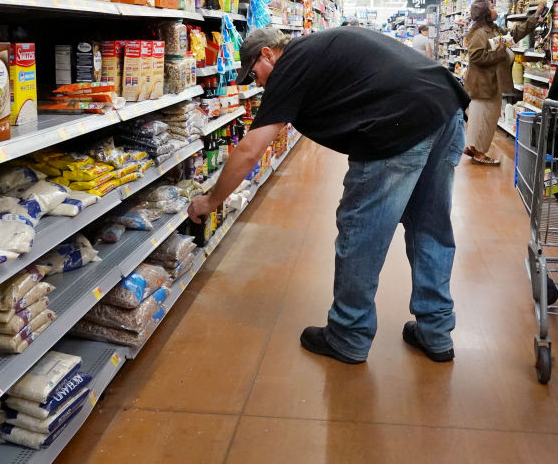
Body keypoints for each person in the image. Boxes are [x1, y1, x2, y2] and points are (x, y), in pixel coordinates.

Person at [187, 26, 470, 364]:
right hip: (445, 106)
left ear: (268, 54)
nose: (258, 84)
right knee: (430, 226)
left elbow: (250, 150)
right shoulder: (314, 51)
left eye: (254, 74)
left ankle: (348, 334)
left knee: (362, 232)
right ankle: (436, 332)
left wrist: (210, 201)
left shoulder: (290, 65)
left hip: (398, 122)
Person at [463, 0, 549, 166]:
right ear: (486, 13)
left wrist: (534, 18)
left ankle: (473, 147)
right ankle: (479, 153)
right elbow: (476, 56)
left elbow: (512, 36)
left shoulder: (492, 29)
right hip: (484, 84)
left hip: (490, 83)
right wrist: (501, 52)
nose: (495, 9)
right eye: (492, 7)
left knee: (483, 118)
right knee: (485, 120)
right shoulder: (480, 33)